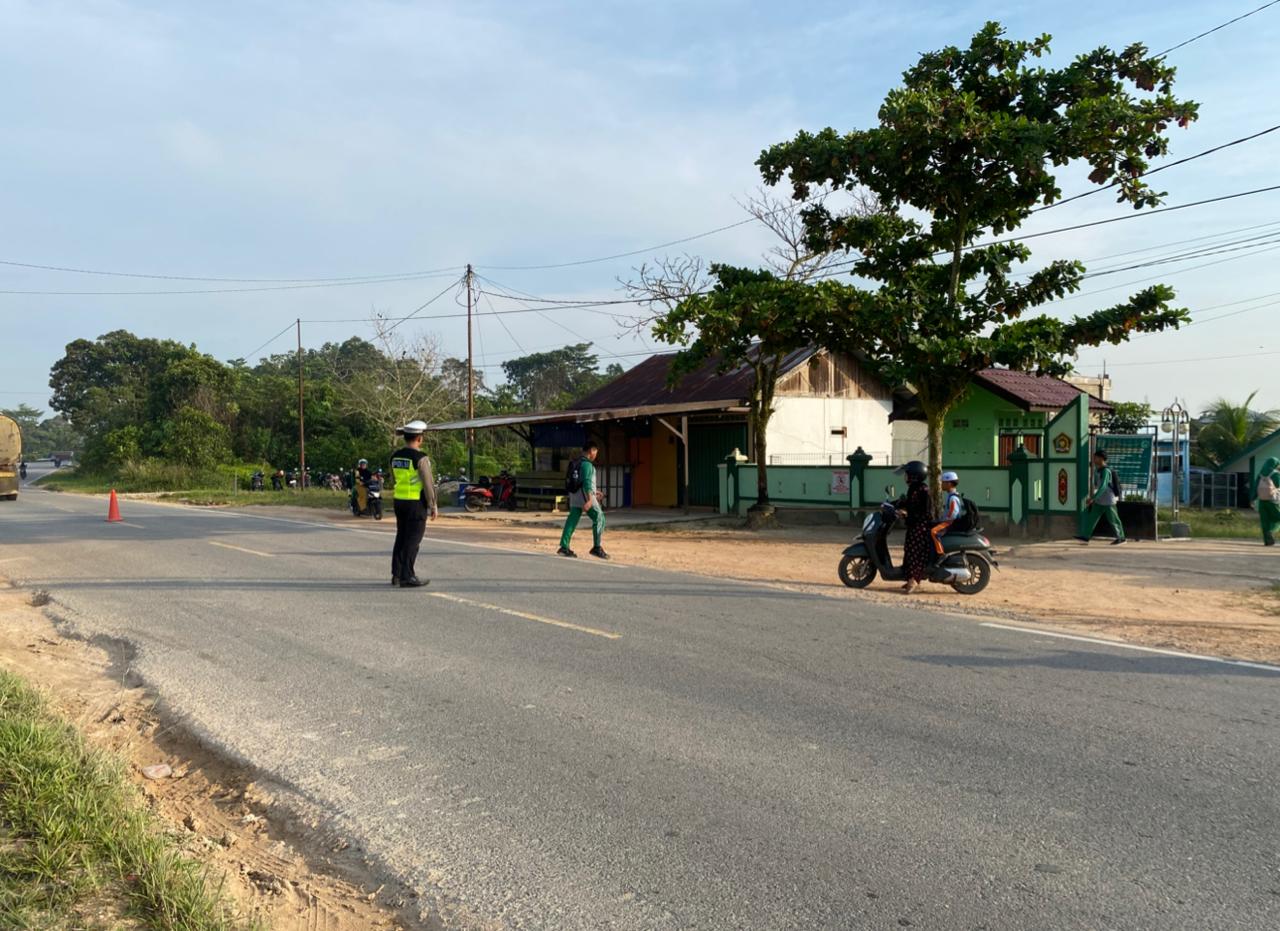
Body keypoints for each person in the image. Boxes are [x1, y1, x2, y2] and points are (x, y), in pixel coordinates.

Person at [390, 420, 437, 587]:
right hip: (415, 503)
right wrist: (432, 505)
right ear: (419, 438)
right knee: (413, 540)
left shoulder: (395, 456)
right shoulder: (421, 458)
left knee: (401, 537)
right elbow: (428, 483)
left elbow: (394, 478)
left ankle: (396, 574)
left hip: (399, 501)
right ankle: (407, 575)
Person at [558, 441, 608, 559]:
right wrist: (590, 499)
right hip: (585, 496)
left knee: (572, 520)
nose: (596, 454)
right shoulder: (587, 465)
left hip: (574, 495)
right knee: (600, 518)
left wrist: (595, 491)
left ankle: (564, 546)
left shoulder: (577, 462)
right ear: (591, 451)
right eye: (596, 451)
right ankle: (597, 547)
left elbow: (580, 482)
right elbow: (586, 483)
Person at [894, 460, 933, 594]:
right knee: (908, 550)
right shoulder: (913, 489)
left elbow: (926, 512)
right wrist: (896, 505)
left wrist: (908, 514)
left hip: (921, 527)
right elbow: (909, 503)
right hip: (913, 525)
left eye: (907, 474)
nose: (905, 477)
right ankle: (909, 577)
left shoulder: (924, 490)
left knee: (915, 553)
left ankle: (915, 580)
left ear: (914, 475)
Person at [1076, 449, 1126, 545]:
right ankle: (1085, 536)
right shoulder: (1097, 470)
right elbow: (1096, 484)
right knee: (1092, 519)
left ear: (1101, 459)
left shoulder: (1106, 471)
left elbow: (1103, 486)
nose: (1094, 459)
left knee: (1114, 520)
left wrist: (1093, 498)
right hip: (1100, 499)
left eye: (1096, 457)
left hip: (1108, 500)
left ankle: (1121, 538)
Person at [929, 470, 965, 560]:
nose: (941, 484)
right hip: (948, 521)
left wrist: (942, 520)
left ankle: (941, 554)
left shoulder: (953, 498)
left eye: (943, 482)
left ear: (949, 483)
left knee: (934, 532)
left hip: (950, 523)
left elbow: (953, 513)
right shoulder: (951, 496)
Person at [1255, 456, 1280, 547]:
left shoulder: (1260, 474)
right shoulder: (1276, 474)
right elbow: (1278, 486)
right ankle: (1272, 531)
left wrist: (1252, 499)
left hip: (1262, 501)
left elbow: (1255, 488)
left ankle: (1267, 541)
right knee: (1278, 518)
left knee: (1264, 521)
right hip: (1273, 501)